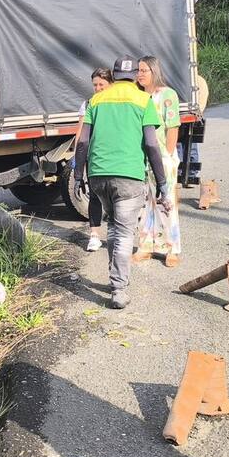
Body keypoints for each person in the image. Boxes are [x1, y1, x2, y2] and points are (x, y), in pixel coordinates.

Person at [74, 56, 171, 310]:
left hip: (98, 176)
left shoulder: (97, 100)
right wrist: (161, 182)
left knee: (114, 229)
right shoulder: (143, 100)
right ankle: (118, 288)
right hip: (128, 176)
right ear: (133, 76)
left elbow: (83, 142)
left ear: (114, 76)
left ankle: (114, 278)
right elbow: (151, 144)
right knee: (125, 232)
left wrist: (77, 176)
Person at [133, 56, 182, 267]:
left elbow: (173, 127)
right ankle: (146, 246)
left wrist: (168, 156)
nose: (140, 74)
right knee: (145, 205)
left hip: (162, 157)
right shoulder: (136, 96)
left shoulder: (167, 95)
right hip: (140, 158)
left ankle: (173, 249)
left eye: (144, 70)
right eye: (138, 70)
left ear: (154, 71)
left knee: (166, 202)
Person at [73, 67, 113, 252]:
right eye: (95, 84)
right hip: (94, 157)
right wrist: (77, 162)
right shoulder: (88, 104)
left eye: (101, 84)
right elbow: (80, 133)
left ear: (111, 84)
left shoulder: (117, 102)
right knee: (95, 197)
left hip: (114, 155)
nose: (97, 88)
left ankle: (119, 235)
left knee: (117, 196)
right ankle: (95, 235)